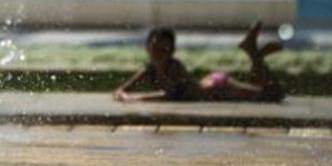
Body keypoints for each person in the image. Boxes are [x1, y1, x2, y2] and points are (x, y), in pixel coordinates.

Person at [113, 22, 285, 103]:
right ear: (147, 48)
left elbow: (169, 95)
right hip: (211, 84)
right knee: (261, 89)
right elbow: (121, 90)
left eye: (163, 50)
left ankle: (255, 54)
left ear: (172, 51)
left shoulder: (174, 67)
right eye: (155, 49)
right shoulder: (148, 70)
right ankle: (255, 55)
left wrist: (135, 98)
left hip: (219, 87)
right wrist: (122, 94)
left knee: (273, 95)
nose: (158, 54)